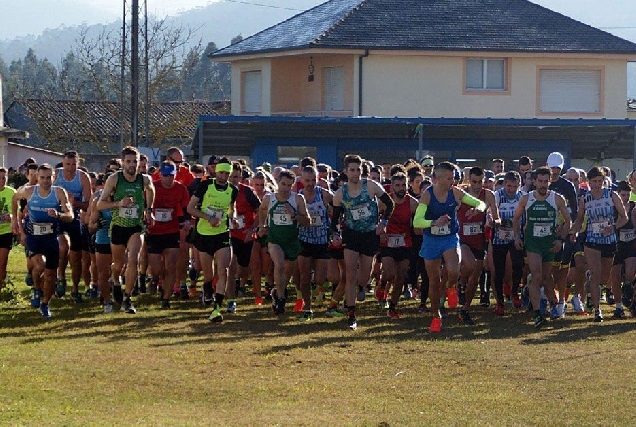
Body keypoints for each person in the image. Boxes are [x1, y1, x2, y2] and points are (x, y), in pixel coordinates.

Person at [413, 161, 487, 333]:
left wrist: (477, 210)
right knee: (433, 281)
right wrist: (434, 222)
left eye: (453, 178)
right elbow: (417, 221)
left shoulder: (455, 192)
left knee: (453, 271)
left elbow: (481, 204)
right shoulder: (428, 195)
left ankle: (452, 287)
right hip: (431, 240)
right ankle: (436, 316)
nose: (452, 181)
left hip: (449, 238)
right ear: (437, 179)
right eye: (449, 178)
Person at [331, 154, 395, 330]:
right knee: (350, 275)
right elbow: (335, 220)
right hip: (351, 235)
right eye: (352, 170)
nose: (355, 173)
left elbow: (389, 204)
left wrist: (383, 223)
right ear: (345, 171)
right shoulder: (339, 194)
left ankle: (362, 287)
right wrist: (335, 235)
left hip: (369, 235)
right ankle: (351, 314)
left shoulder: (371, 186)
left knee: (363, 276)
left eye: (358, 170)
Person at [97, 146, 155, 314]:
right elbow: (100, 204)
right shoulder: (115, 179)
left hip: (136, 226)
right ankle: (115, 280)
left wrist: (149, 210)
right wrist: (119, 203)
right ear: (122, 162)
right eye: (128, 161)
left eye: (135, 162)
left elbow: (151, 190)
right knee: (118, 264)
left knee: (133, 260)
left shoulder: (144, 180)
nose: (132, 165)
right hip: (118, 226)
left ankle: (127, 298)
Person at [11, 164, 74, 318]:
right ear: (37, 178)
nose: (45, 181)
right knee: (39, 264)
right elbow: (15, 198)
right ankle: (36, 289)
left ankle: (45, 304)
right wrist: (14, 220)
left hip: (51, 237)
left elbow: (70, 215)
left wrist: (58, 214)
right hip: (33, 236)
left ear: (53, 178)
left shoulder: (59, 192)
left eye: (48, 178)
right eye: (42, 178)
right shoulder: (29, 191)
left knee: (51, 274)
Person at [512, 167, 572, 328]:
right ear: (534, 181)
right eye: (540, 181)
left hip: (549, 243)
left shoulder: (557, 198)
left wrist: (561, 240)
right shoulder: (526, 198)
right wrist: (517, 236)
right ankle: (537, 313)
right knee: (537, 276)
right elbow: (516, 218)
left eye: (546, 181)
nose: (543, 185)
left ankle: (531, 292)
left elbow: (568, 220)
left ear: (550, 181)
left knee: (546, 278)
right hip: (533, 243)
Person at [571, 166, 627, 322]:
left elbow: (624, 217)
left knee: (603, 278)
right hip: (592, 241)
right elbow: (580, 219)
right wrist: (572, 232)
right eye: (593, 181)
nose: (596, 185)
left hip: (609, 241)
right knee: (596, 276)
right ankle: (597, 310)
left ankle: (591, 279)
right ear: (588, 182)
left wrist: (613, 227)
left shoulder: (611, 195)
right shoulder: (585, 198)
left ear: (604, 181)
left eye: (599, 181)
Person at [187, 157, 238, 322]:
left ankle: (217, 309)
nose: (224, 176)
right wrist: (208, 218)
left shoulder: (232, 190)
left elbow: (231, 209)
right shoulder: (205, 186)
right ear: (216, 172)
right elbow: (190, 208)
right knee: (208, 275)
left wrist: (234, 218)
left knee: (223, 271)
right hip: (204, 233)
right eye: (222, 172)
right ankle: (207, 288)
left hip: (222, 233)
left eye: (227, 173)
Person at [257, 169, 310, 316]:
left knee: (287, 274)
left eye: (289, 185)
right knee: (279, 266)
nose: (285, 188)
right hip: (275, 240)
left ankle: (277, 292)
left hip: (292, 241)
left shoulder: (297, 199)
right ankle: (281, 299)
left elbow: (307, 221)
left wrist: (294, 215)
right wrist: (262, 226)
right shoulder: (269, 198)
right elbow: (261, 210)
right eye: (283, 184)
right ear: (277, 183)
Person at [457, 167, 500, 323]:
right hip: (462, 238)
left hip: (480, 240)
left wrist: (492, 222)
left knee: (475, 278)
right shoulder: (461, 193)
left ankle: (465, 309)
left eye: (480, 182)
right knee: (469, 265)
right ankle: (460, 283)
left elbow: (497, 218)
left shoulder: (488, 195)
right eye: (474, 181)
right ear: (468, 180)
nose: (477, 185)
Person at [147, 162, 191, 309]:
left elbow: (186, 208)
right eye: (165, 176)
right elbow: (144, 205)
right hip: (154, 231)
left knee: (171, 266)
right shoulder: (153, 187)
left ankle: (166, 298)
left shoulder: (180, 189)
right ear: (160, 175)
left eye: (171, 176)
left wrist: (186, 221)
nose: (168, 179)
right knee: (157, 268)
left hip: (172, 231)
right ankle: (154, 278)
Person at [378, 169, 418, 318]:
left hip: (404, 242)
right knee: (389, 273)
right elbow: (376, 218)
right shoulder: (385, 202)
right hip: (387, 242)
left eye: (404, 185)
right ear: (392, 187)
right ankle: (382, 285)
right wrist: (381, 232)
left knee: (400, 277)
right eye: (398, 185)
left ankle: (393, 307)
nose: (401, 188)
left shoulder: (413, 203)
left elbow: (418, 222)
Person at [53, 150, 92, 302]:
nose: (70, 168)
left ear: (78, 164)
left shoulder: (83, 177)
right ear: (63, 163)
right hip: (57, 217)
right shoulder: (56, 175)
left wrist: (74, 202)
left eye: (73, 164)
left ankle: (75, 289)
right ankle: (60, 277)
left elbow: (89, 205)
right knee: (63, 247)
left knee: (76, 258)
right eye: (67, 164)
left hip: (74, 219)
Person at [297, 165, 333, 321]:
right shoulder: (298, 196)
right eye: (307, 180)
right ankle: (308, 308)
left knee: (320, 279)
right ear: (301, 180)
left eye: (313, 180)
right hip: (304, 239)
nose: (310, 183)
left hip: (321, 240)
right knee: (305, 277)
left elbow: (337, 207)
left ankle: (317, 286)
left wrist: (334, 225)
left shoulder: (324, 194)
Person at [226, 162, 261, 313]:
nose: (234, 180)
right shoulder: (221, 191)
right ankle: (230, 300)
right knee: (230, 267)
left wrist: (252, 229)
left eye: (237, 177)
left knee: (243, 269)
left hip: (246, 235)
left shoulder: (247, 192)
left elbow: (260, 211)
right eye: (232, 176)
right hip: (229, 234)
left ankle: (242, 286)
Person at [491, 171, 524, 314]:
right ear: (504, 184)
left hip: (516, 236)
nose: (511, 189)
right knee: (499, 271)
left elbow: (526, 217)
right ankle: (499, 302)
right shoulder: (498, 195)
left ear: (519, 185)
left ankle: (515, 291)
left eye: (514, 186)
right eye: (509, 186)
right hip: (499, 237)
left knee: (518, 265)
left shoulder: (522, 197)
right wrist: (497, 221)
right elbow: (491, 214)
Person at [609, 180, 636, 317]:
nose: (625, 198)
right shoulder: (612, 208)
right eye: (622, 195)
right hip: (616, 244)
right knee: (614, 276)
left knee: (631, 273)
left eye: (627, 194)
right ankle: (619, 307)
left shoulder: (633, 207)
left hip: (630, 244)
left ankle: (628, 284)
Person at [0, 167, 16, 290]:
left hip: (6, 231)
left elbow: (16, 214)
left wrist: (10, 216)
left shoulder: (12, 193)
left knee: (2, 262)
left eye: (4, 178)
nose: (2, 180)